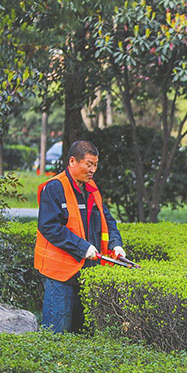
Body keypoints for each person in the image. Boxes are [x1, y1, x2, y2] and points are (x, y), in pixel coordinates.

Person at [34, 140, 125, 333]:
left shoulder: (91, 189)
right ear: (73, 161)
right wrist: (82, 247)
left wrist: (116, 244)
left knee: (82, 337)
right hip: (59, 276)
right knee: (56, 336)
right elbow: (49, 227)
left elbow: (108, 220)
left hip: (86, 274)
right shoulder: (54, 187)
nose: (93, 170)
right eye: (89, 164)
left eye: (95, 165)